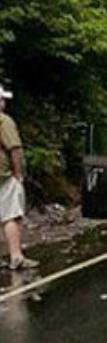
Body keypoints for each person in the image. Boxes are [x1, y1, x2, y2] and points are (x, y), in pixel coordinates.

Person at [0, 84, 37, 270]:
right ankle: (16, 256)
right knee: (10, 216)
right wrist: (18, 173)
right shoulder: (3, 121)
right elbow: (14, 149)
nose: (4, 102)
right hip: (2, 175)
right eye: (2, 99)